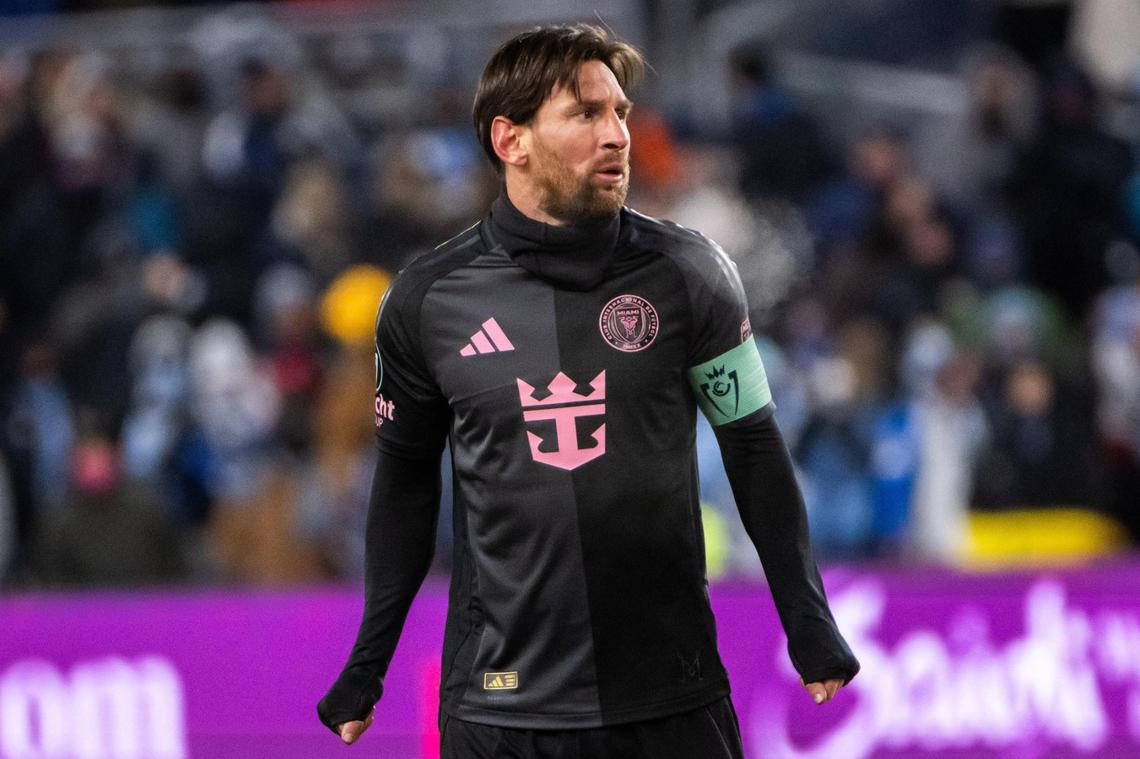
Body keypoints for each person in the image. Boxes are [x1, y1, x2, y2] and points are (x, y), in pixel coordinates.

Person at [318, 24, 859, 758]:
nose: (617, 136)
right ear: (511, 140)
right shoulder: (427, 300)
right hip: (502, 712)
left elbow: (754, 446)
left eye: (621, 113)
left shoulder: (690, 274)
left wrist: (808, 619)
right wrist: (368, 661)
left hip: (673, 701)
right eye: (586, 115)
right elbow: (406, 484)